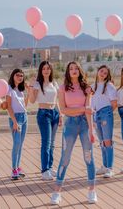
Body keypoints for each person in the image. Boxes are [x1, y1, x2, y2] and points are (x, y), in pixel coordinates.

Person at [51, 61, 97, 205]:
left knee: (88, 157)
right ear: (68, 72)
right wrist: (83, 109)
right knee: (65, 158)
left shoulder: (87, 88)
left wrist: (91, 130)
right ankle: (57, 192)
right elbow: (64, 110)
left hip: (84, 124)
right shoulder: (63, 88)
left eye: (76, 68)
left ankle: (92, 191)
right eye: (71, 68)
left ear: (80, 70)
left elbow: (89, 110)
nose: (74, 70)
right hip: (70, 124)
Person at [28, 61, 62, 180]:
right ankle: (44, 170)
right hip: (44, 114)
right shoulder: (37, 84)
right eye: (43, 69)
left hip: (55, 113)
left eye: (48, 68)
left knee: (52, 144)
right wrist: (31, 86)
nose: (46, 70)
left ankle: (50, 166)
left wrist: (60, 114)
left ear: (51, 70)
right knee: (46, 143)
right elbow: (32, 100)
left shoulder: (54, 83)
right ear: (41, 71)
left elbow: (56, 100)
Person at [92, 65, 117, 178]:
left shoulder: (109, 86)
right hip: (96, 114)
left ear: (107, 76)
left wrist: (106, 114)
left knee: (107, 141)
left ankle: (110, 168)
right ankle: (105, 165)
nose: (103, 74)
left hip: (105, 113)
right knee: (101, 142)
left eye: (105, 73)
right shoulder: (94, 86)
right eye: (101, 71)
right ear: (98, 72)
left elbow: (114, 104)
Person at [6, 69, 28, 180]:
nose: (20, 77)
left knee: (21, 144)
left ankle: (18, 168)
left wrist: (28, 92)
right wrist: (14, 121)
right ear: (13, 75)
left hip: (24, 117)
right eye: (17, 75)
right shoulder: (9, 89)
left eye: (21, 76)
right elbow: (9, 106)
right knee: (16, 143)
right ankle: (14, 169)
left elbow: (25, 105)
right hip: (16, 118)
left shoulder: (21, 90)